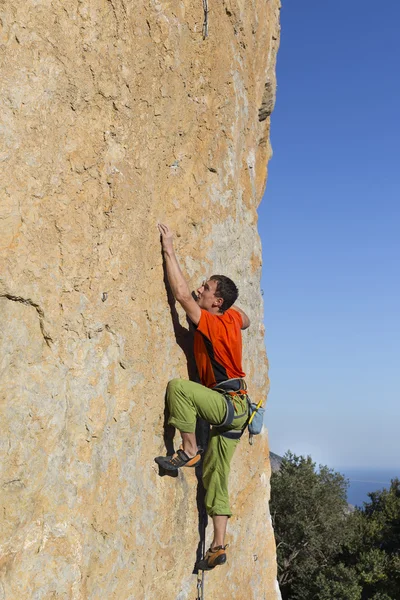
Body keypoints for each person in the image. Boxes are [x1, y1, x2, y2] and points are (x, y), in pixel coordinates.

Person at [155, 223, 251, 571]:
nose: (200, 289)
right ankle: (218, 545)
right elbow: (247, 320)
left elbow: (180, 294)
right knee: (217, 476)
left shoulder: (211, 322)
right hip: (239, 410)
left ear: (216, 302)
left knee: (179, 388)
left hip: (226, 404)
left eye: (206, 289)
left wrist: (168, 248)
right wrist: (241, 319)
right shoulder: (232, 317)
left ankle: (189, 449)